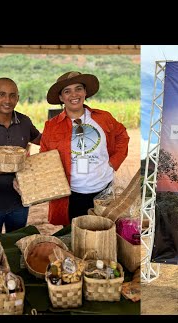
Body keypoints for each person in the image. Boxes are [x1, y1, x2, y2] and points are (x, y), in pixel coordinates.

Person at [40, 71, 130, 225]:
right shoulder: (52, 126)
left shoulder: (103, 118)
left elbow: (122, 136)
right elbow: (44, 158)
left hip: (104, 191)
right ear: (61, 97)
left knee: (103, 235)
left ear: (85, 92)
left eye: (78, 88)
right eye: (67, 91)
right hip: (71, 195)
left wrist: (113, 162)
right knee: (73, 237)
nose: (74, 94)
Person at [0, 78, 41, 236]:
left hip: (20, 199)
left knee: (17, 241)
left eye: (12, 95)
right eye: (2, 95)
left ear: (17, 98)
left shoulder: (25, 122)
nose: (7, 100)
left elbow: (43, 141)